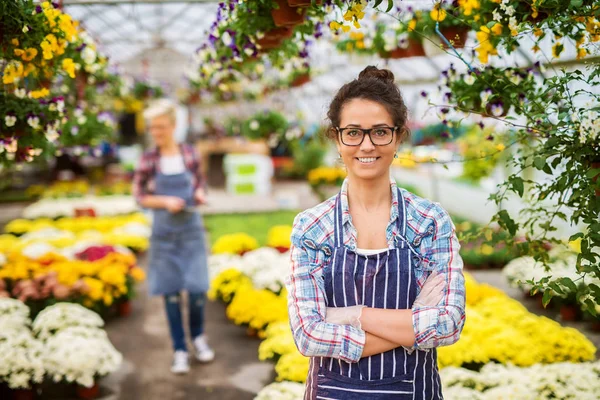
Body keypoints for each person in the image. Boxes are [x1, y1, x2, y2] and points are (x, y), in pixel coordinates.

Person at [285, 66, 466, 399]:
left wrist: (351, 315)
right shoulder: (312, 226)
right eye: (353, 132)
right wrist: (412, 323)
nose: (366, 145)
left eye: (380, 132)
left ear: (397, 136)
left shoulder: (429, 222)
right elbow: (308, 335)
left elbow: (449, 324)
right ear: (337, 138)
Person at [133, 99, 215, 374]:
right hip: (164, 234)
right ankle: (180, 349)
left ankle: (198, 337)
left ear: (173, 125)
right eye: (152, 127)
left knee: (195, 291)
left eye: (161, 127)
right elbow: (140, 196)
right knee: (170, 294)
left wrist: (201, 195)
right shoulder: (148, 159)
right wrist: (165, 201)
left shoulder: (189, 154)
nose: (156, 132)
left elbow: (199, 184)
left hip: (191, 231)